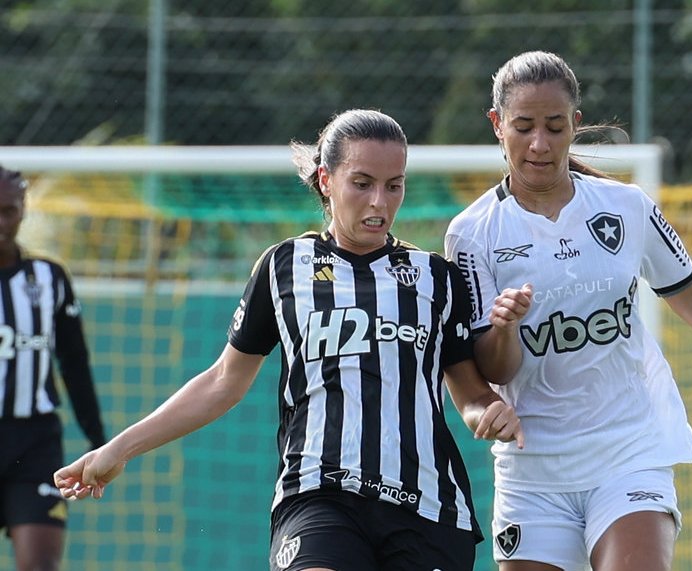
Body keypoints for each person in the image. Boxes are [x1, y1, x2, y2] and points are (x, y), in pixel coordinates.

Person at [54, 109, 523, 571]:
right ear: (325, 180)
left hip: (427, 508)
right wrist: (118, 449)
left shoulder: (434, 278)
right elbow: (222, 382)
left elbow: (470, 394)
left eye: (394, 185)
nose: (380, 201)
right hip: (317, 495)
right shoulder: (284, 267)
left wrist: (489, 412)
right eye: (362, 183)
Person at [444, 51, 692, 571]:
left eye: (555, 127)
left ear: (575, 126)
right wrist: (507, 326)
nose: (540, 143)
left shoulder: (626, 208)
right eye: (524, 127)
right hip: (532, 472)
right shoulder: (472, 234)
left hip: (628, 456)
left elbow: (689, 293)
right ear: (497, 125)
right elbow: (493, 369)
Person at [0, 165, 107, 571]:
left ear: (23, 209)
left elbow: (74, 363)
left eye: (8, 210)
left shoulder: (49, 278)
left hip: (33, 444)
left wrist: (98, 439)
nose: (1, 222)